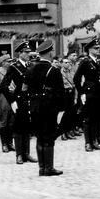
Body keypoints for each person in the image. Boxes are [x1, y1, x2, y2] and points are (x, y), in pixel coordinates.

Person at [25, 40, 65, 176]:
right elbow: (60, 93)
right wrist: (61, 109)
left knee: (40, 136)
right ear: (49, 53)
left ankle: (41, 168)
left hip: (35, 107)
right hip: (49, 108)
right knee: (49, 136)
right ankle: (49, 167)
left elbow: (25, 88)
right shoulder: (53, 71)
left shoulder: (30, 69)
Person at [0, 42, 37, 165]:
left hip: (29, 99)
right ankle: (19, 155)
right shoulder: (14, 67)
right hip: (19, 99)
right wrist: (12, 100)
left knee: (27, 127)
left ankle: (27, 153)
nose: (28, 54)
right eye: (25, 52)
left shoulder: (30, 65)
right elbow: (4, 86)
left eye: (28, 52)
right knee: (18, 127)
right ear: (20, 53)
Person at [73, 37, 100, 152]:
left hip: (99, 93)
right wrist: (82, 92)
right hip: (89, 92)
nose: (98, 49)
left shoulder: (99, 60)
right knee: (88, 118)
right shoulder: (85, 61)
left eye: (99, 48)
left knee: (97, 117)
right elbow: (76, 78)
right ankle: (88, 142)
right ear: (89, 49)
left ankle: (95, 141)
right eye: (96, 48)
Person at [0, 54, 15, 153]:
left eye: (10, 61)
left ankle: (10, 143)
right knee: (3, 122)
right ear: (3, 62)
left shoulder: (11, 72)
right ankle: (4, 144)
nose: (10, 63)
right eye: (8, 61)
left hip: (11, 99)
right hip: (3, 99)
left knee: (11, 122)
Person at [60, 58, 77, 141]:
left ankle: (68, 131)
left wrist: (75, 97)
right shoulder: (60, 73)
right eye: (65, 62)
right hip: (65, 93)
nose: (68, 64)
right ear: (62, 63)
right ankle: (63, 132)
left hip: (71, 93)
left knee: (70, 113)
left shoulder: (71, 72)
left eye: (69, 62)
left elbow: (74, 83)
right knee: (65, 114)